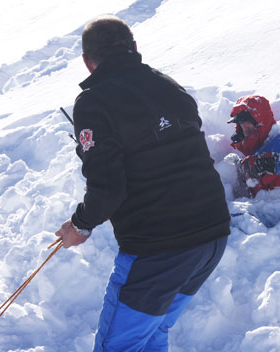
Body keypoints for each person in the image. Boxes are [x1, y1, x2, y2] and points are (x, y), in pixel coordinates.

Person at [54, 16, 231, 351]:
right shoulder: (168, 85)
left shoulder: (94, 102)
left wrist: (80, 224)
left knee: (119, 346)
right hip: (211, 238)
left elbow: (108, 187)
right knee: (151, 335)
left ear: (87, 62)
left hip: (160, 248)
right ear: (134, 48)